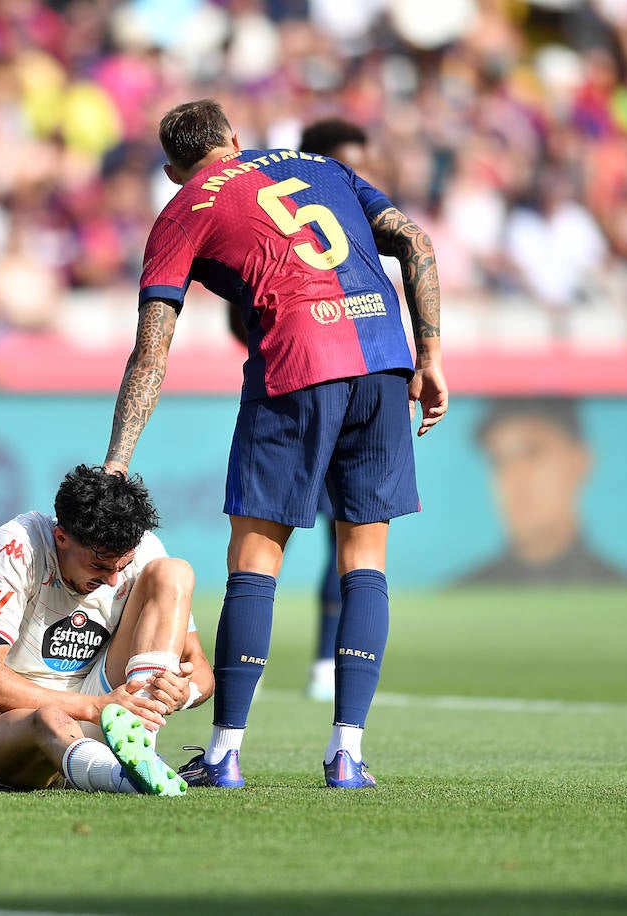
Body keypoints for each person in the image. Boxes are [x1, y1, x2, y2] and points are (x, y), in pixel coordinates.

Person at [103, 99, 448, 789]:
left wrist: (118, 458)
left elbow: (151, 352)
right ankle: (347, 752)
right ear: (235, 137)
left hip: (296, 364)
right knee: (365, 561)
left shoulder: (181, 210)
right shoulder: (323, 165)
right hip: (383, 360)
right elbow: (413, 239)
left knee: (256, 562)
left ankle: (226, 752)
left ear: (172, 169)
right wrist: (430, 353)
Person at [224, 118, 376, 704]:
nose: (354, 172)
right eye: (345, 160)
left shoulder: (356, 220)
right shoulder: (277, 220)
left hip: (355, 388)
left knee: (348, 538)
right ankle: (246, 671)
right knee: (267, 539)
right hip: (295, 392)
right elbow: (241, 308)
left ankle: (322, 661)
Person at [0, 464, 214, 795]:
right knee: (48, 717)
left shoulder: (142, 549)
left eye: (123, 566)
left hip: (103, 709)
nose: (113, 579)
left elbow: (202, 671)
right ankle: (122, 777)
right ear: (61, 538)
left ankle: (139, 751)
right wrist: (91, 707)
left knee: (174, 572)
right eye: (99, 566)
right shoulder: (16, 548)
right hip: (3, 730)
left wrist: (183, 693)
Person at [453, 398, 627, 587]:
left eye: (533, 452)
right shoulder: (458, 604)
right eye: (498, 460)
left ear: (580, 461)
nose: (515, 476)